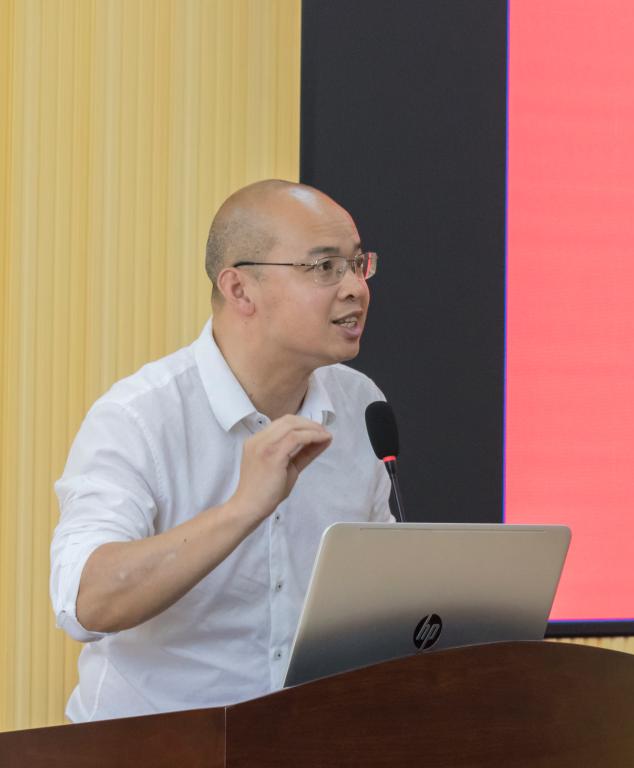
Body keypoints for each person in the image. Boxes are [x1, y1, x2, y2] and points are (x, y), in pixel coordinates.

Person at [49, 180, 393, 722]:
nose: (355, 288)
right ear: (239, 289)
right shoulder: (139, 417)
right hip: (149, 747)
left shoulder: (360, 404)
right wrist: (242, 509)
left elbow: (376, 589)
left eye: (357, 264)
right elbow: (85, 603)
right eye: (325, 267)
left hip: (303, 741)